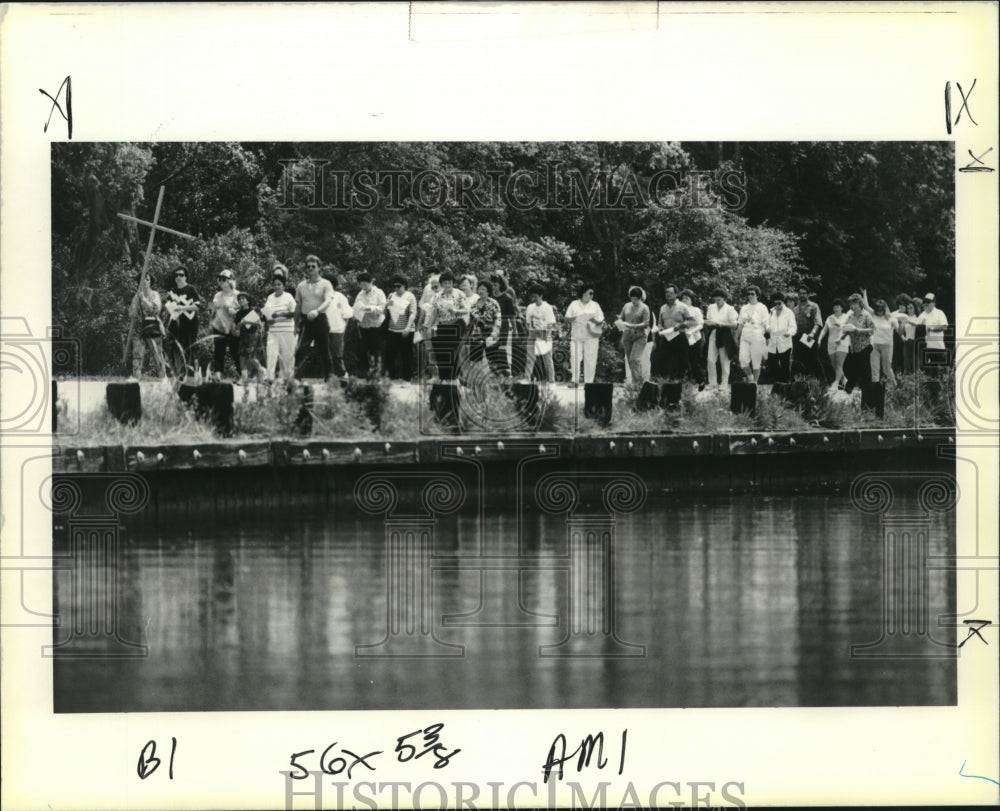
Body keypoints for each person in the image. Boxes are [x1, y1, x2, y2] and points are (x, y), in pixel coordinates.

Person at [293, 255, 335, 381]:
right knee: (301, 350)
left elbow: (328, 300)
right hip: (306, 321)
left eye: (313, 266)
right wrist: (295, 325)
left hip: (320, 319)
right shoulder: (301, 286)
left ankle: (330, 377)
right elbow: (298, 306)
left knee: (324, 350)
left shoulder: (325, 284)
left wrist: (317, 311)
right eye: (308, 267)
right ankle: (296, 378)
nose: (310, 269)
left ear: (319, 268)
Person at [426, 271, 468, 381]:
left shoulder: (459, 294)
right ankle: (444, 378)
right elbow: (434, 313)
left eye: (450, 282)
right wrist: (429, 327)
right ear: (441, 284)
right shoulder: (437, 297)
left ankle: (454, 378)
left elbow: (466, 310)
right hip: (442, 327)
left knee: (454, 353)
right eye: (445, 283)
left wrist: (456, 311)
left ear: (453, 283)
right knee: (442, 353)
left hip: (456, 326)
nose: (448, 285)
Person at [162, 265, 200, 378]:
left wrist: (182, 308)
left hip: (190, 323)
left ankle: (191, 373)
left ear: (186, 277)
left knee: (188, 347)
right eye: (176, 275)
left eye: (181, 275)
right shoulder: (173, 291)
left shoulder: (191, 289)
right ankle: (179, 373)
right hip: (175, 323)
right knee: (175, 347)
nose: (179, 277)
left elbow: (198, 306)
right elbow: (168, 306)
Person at [127, 271, 167, 378]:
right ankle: (136, 379)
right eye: (142, 279)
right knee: (137, 355)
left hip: (153, 326)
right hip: (139, 328)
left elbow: (155, 309)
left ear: (150, 282)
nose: (144, 281)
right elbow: (131, 313)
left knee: (157, 355)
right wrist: (135, 306)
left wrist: (143, 299)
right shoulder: (137, 296)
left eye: (147, 279)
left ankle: (163, 379)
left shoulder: (155, 294)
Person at [564, 284, 605, 386]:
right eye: (590, 293)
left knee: (590, 360)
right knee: (575, 358)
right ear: (583, 293)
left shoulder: (595, 305)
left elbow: (601, 320)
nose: (592, 295)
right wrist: (577, 317)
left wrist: (594, 320)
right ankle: (575, 380)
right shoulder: (574, 304)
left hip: (591, 336)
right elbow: (566, 318)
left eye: (592, 293)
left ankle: (589, 383)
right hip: (576, 336)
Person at [262, 265, 297, 380]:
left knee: (286, 357)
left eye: (279, 285)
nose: (277, 287)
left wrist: (280, 314)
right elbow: (266, 312)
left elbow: (294, 312)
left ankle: (288, 380)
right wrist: (268, 319)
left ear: (283, 285)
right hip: (273, 331)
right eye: (275, 285)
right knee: (271, 354)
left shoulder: (289, 296)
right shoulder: (270, 297)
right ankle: (270, 379)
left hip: (287, 331)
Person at [652, 284, 693, 382]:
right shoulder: (662, 308)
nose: (668, 295)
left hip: (679, 335)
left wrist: (680, 326)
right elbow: (659, 322)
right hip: (666, 337)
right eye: (666, 293)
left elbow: (692, 321)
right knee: (665, 360)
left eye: (670, 293)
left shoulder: (683, 306)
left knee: (682, 361)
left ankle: (685, 382)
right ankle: (667, 381)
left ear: (676, 294)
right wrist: (660, 329)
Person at [906, 292, 949, 376]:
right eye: (924, 302)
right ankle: (930, 388)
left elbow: (944, 327)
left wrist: (932, 328)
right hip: (927, 347)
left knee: (938, 372)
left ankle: (938, 388)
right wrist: (907, 320)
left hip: (938, 347)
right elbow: (916, 322)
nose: (925, 304)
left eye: (928, 302)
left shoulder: (940, 313)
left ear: (933, 303)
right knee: (927, 372)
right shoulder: (923, 314)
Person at [352, 272, 387, 378]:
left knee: (375, 349)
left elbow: (382, 308)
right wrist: (355, 313)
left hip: (376, 325)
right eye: (361, 285)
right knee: (361, 349)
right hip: (363, 325)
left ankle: (376, 372)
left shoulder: (379, 292)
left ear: (370, 282)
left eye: (365, 284)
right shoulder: (360, 294)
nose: (363, 287)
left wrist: (370, 308)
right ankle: (364, 372)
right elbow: (356, 306)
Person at [862, 291, 899, 387]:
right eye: (877, 310)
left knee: (886, 368)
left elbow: (899, 330)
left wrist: (903, 326)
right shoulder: (873, 315)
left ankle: (894, 386)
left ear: (885, 309)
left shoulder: (891, 318)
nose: (879, 312)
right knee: (875, 368)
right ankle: (875, 389)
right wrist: (864, 293)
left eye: (881, 310)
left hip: (886, 345)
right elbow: (866, 306)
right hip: (874, 345)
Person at [384, 276, 417, 381]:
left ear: (405, 286)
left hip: (406, 330)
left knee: (406, 355)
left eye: (399, 286)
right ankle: (391, 377)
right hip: (392, 329)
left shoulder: (410, 296)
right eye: (394, 286)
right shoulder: (391, 295)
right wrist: (386, 305)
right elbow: (386, 313)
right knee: (390, 354)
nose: (396, 289)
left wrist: (407, 328)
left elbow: (413, 313)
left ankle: (407, 378)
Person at [704, 288, 738, 389]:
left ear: (724, 299)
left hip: (725, 334)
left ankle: (724, 383)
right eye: (716, 299)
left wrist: (721, 324)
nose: (717, 302)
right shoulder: (711, 307)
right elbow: (709, 320)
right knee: (710, 359)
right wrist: (708, 323)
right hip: (714, 333)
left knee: (724, 360)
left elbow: (734, 325)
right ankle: (712, 382)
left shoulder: (730, 309)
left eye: (719, 299)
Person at [209, 269, 241, 379]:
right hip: (219, 327)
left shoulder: (238, 295)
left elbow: (243, 311)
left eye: (224, 279)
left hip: (233, 328)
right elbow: (213, 309)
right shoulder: (218, 295)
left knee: (236, 352)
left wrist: (233, 310)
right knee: (218, 352)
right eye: (220, 279)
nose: (221, 282)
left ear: (231, 281)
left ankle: (241, 375)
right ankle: (218, 375)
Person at [467, 279, 502, 377]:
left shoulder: (494, 303)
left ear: (488, 291)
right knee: (474, 360)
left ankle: (497, 380)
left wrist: (494, 334)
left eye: (483, 289)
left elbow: (498, 319)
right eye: (479, 289)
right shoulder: (473, 304)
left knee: (493, 360)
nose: (480, 291)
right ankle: (476, 380)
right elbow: (470, 321)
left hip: (490, 333)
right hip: (476, 335)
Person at [841, 292, 875, 393]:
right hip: (853, 348)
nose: (852, 306)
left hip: (865, 347)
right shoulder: (850, 316)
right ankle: (850, 388)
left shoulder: (866, 315)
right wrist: (843, 336)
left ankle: (867, 395)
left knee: (865, 372)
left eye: (854, 304)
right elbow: (845, 327)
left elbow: (873, 329)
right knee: (847, 368)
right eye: (851, 304)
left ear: (860, 304)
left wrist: (859, 330)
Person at [524, 284, 557, 383]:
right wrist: (531, 332)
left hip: (544, 333)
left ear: (541, 296)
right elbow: (528, 322)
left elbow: (550, 323)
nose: (533, 298)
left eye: (535, 296)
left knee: (548, 361)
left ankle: (551, 381)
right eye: (532, 296)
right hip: (533, 334)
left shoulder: (547, 307)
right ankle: (526, 380)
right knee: (530, 359)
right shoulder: (530, 307)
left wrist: (547, 336)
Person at [617, 286, 650, 385]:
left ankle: (638, 384)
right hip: (628, 336)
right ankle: (636, 382)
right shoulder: (626, 306)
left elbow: (646, 323)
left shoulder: (644, 308)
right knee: (630, 361)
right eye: (631, 299)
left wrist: (633, 325)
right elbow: (621, 317)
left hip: (640, 336)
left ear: (640, 298)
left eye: (636, 299)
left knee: (634, 359)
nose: (633, 301)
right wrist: (619, 321)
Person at [736, 285, 769, 384]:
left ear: (757, 295)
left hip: (757, 338)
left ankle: (754, 384)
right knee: (742, 361)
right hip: (745, 338)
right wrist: (736, 337)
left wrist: (768, 337)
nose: (750, 295)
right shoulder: (744, 308)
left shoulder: (762, 307)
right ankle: (750, 379)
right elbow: (740, 324)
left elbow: (766, 324)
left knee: (756, 363)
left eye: (752, 294)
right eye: (748, 294)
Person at [494, 274, 524, 379]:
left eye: (495, 285)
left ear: (500, 285)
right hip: (490, 326)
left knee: (501, 347)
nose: (493, 287)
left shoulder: (507, 298)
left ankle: (505, 371)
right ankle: (493, 371)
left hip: (503, 326)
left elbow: (511, 316)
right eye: (492, 285)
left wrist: (515, 330)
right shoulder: (489, 298)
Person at [324, 275, 354, 379]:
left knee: (337, 355)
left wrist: (343, 329)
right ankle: (329, 376)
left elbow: (347, 315)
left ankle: (343, 374)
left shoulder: (340, 297)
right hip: (324, 331)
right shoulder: (319, 297)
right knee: (326, 355)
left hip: (337, 330)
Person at [791, 286, 823, 378]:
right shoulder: (795, 309)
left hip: (810, 337)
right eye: (800, 293)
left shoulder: (814, 306)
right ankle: (800, 384)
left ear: (808, 295)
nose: (802, 295)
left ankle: (822, 383)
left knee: (814, 361)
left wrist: (812, 333)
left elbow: (818, 322)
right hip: (798, 338)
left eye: (804, 293)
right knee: (798, 362)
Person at [818, 298, 849, 389]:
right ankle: (845, 380)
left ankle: (835, 384)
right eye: (835, 306)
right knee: (834, 365)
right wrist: (819, 339)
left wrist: (838, 324)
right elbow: (824, 330)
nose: (836, 308)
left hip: (842, 342)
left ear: (842, 308)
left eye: (838, 306)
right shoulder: (830, 318)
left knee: (839, 364)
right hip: (831, 343)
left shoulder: (846, 316)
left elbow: (846, 328)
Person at [766, 293, 796, 384]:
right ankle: (775, 387)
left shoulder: (789, 312)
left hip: (784, 342)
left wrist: (789, 333)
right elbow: (767, 324)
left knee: (785, 366)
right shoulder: (772, 312)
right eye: (776, 303)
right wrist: (767, 328)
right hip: (773, 342)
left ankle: (786, 386)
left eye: (779, 303)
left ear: (783, 302)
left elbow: (793, 327)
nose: (777, 305)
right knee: (772, 366)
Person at [415, 273, 440, 380]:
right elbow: (424, 312)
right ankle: (431, 374)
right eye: (432, 287)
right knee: (428, 351)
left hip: (439, 328)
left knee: (438, 352)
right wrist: (419, 325)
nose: (434, 289)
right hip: (427, 327)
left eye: (436, 286)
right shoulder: (431, 298)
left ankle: (439, 375)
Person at [679, 289, 706, 389]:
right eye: (683, 298)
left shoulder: (696, 310)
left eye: (687, 298)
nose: (684, 300)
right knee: (684, 361)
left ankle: (701, 381)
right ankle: (686, 383)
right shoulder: (679, 310)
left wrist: (691, 331)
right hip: (683, 338)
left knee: (695, 361)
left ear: (691, 300)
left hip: (695, 338)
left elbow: (700, 325)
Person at [234, 292, 264, 380]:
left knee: (249, 357)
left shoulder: (251, 311)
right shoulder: (239, 313)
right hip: (243, 335)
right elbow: (236, 326)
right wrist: (239, 324)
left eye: (243, 298)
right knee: (241, 357)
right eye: (239, 299)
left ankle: (261, 369)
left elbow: (259, 323)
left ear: (248, 301)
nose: (240, 300)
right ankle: (244, 377)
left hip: (252, 336)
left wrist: (247, 322)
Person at [891, 294, 911, 375]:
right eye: (899, 304)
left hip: (906, 337)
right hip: (894, 337)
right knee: (895, 358)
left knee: (904, 359)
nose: (901, 306)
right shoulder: (894, 313)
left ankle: (904, 376)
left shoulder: (909, 313)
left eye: (903, 304)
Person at [899, 299, 918, 374]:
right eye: (908, 308)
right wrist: (900, 324)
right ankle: (908, 382)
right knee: (906, 363)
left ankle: (915, 381)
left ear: (915, 308)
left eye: (911, 308)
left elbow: (917, 325)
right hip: (907, 342)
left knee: (915, 363)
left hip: (915, 342)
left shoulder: (918, 317)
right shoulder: (905, 318)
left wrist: (908, 321)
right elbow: (900, 332)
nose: (909, 310)